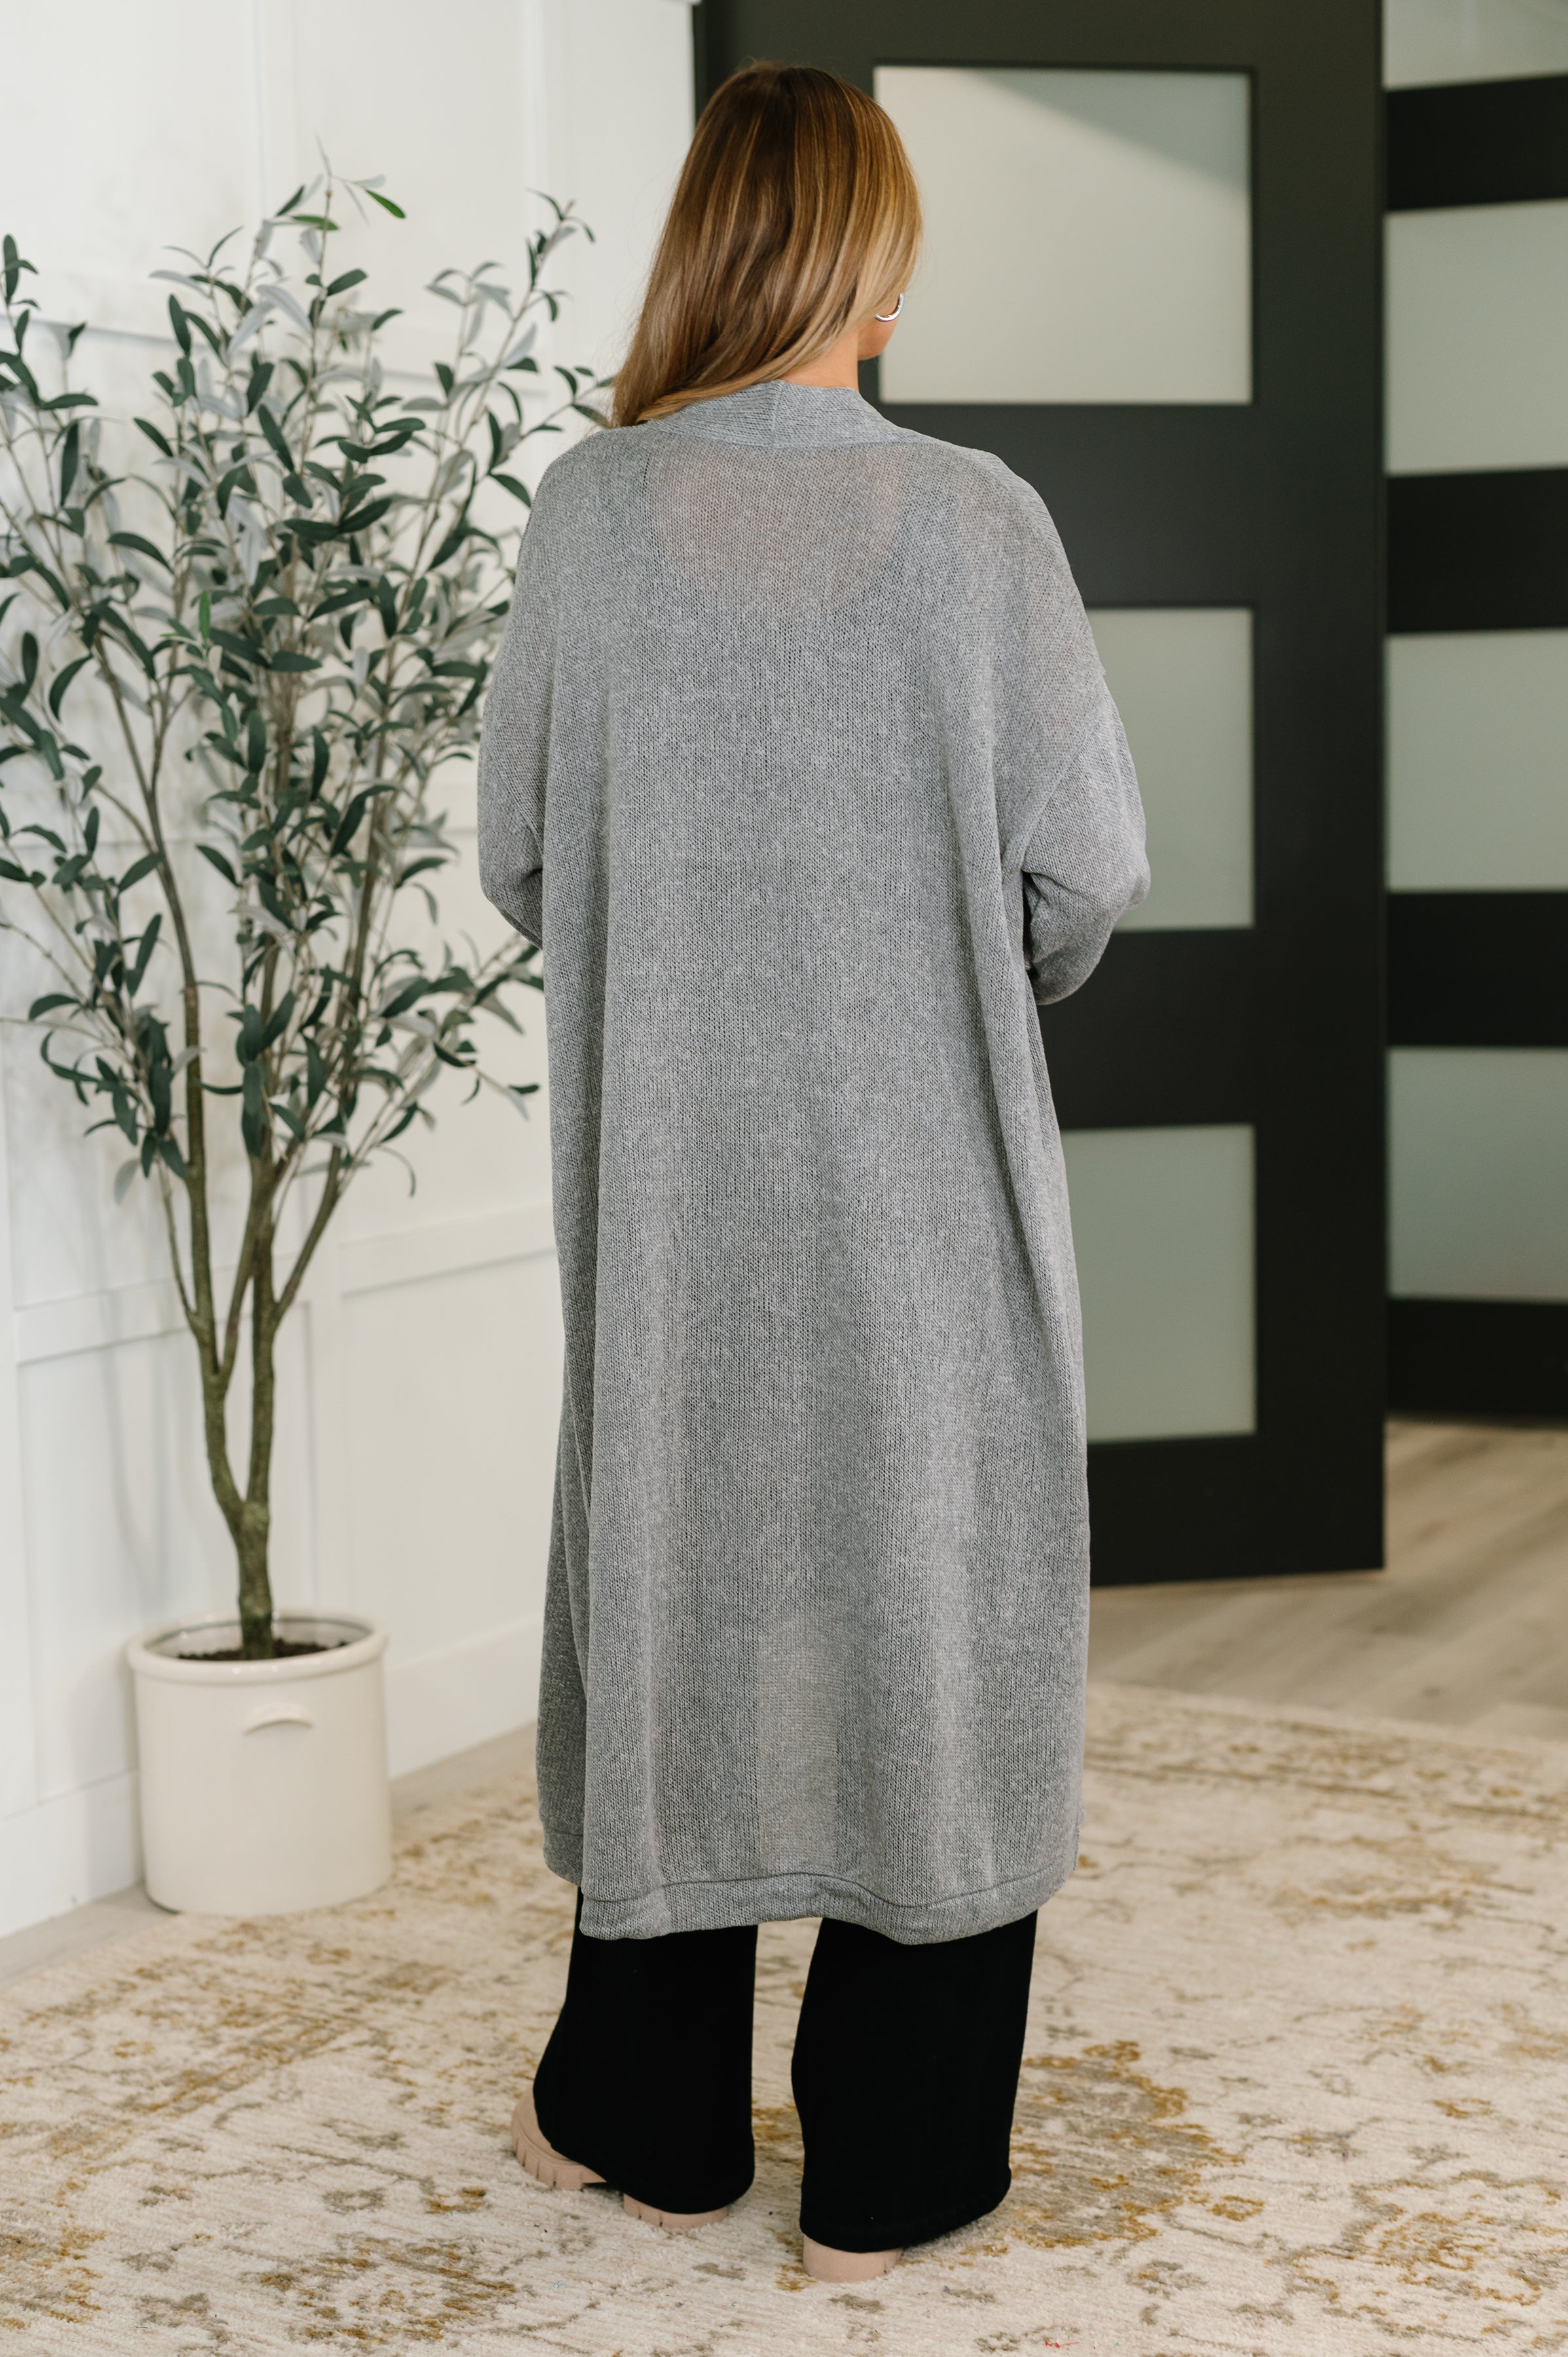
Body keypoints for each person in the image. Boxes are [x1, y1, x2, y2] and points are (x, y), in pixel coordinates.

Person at [477, 60, 1148, 2285]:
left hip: (673, 1209)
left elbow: (521, 860)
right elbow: (1082, 876)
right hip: (920, 1203)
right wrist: (916, 974)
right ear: (875, 256)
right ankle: (895, 2170)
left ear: (705, 243)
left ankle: (650, 2125)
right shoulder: (980, 525)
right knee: (931, 1613)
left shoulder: (587, 516)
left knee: (676, 1596)